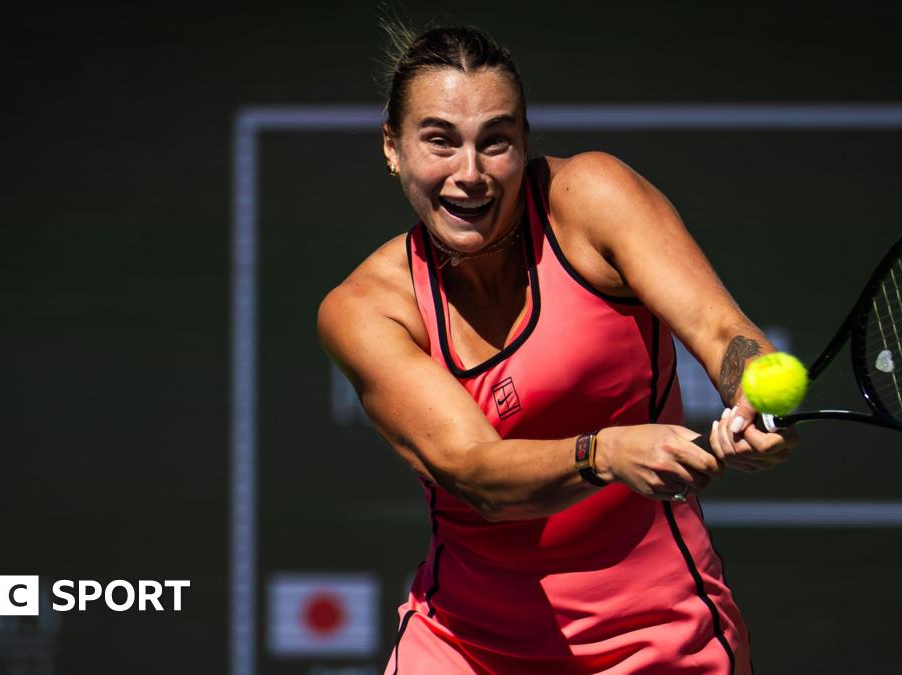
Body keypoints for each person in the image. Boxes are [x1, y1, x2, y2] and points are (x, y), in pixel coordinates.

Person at [318, 24, 797, 675]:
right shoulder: (367, 309)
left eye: (496, 142)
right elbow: (474, 471)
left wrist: (754, 394)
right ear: (392, 147)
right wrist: (604, 451)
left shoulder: (592, 198)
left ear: (523, 143)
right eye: (440, 141)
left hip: (657, 638)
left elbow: (724, 333)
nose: (470, 173)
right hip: (465, 646)